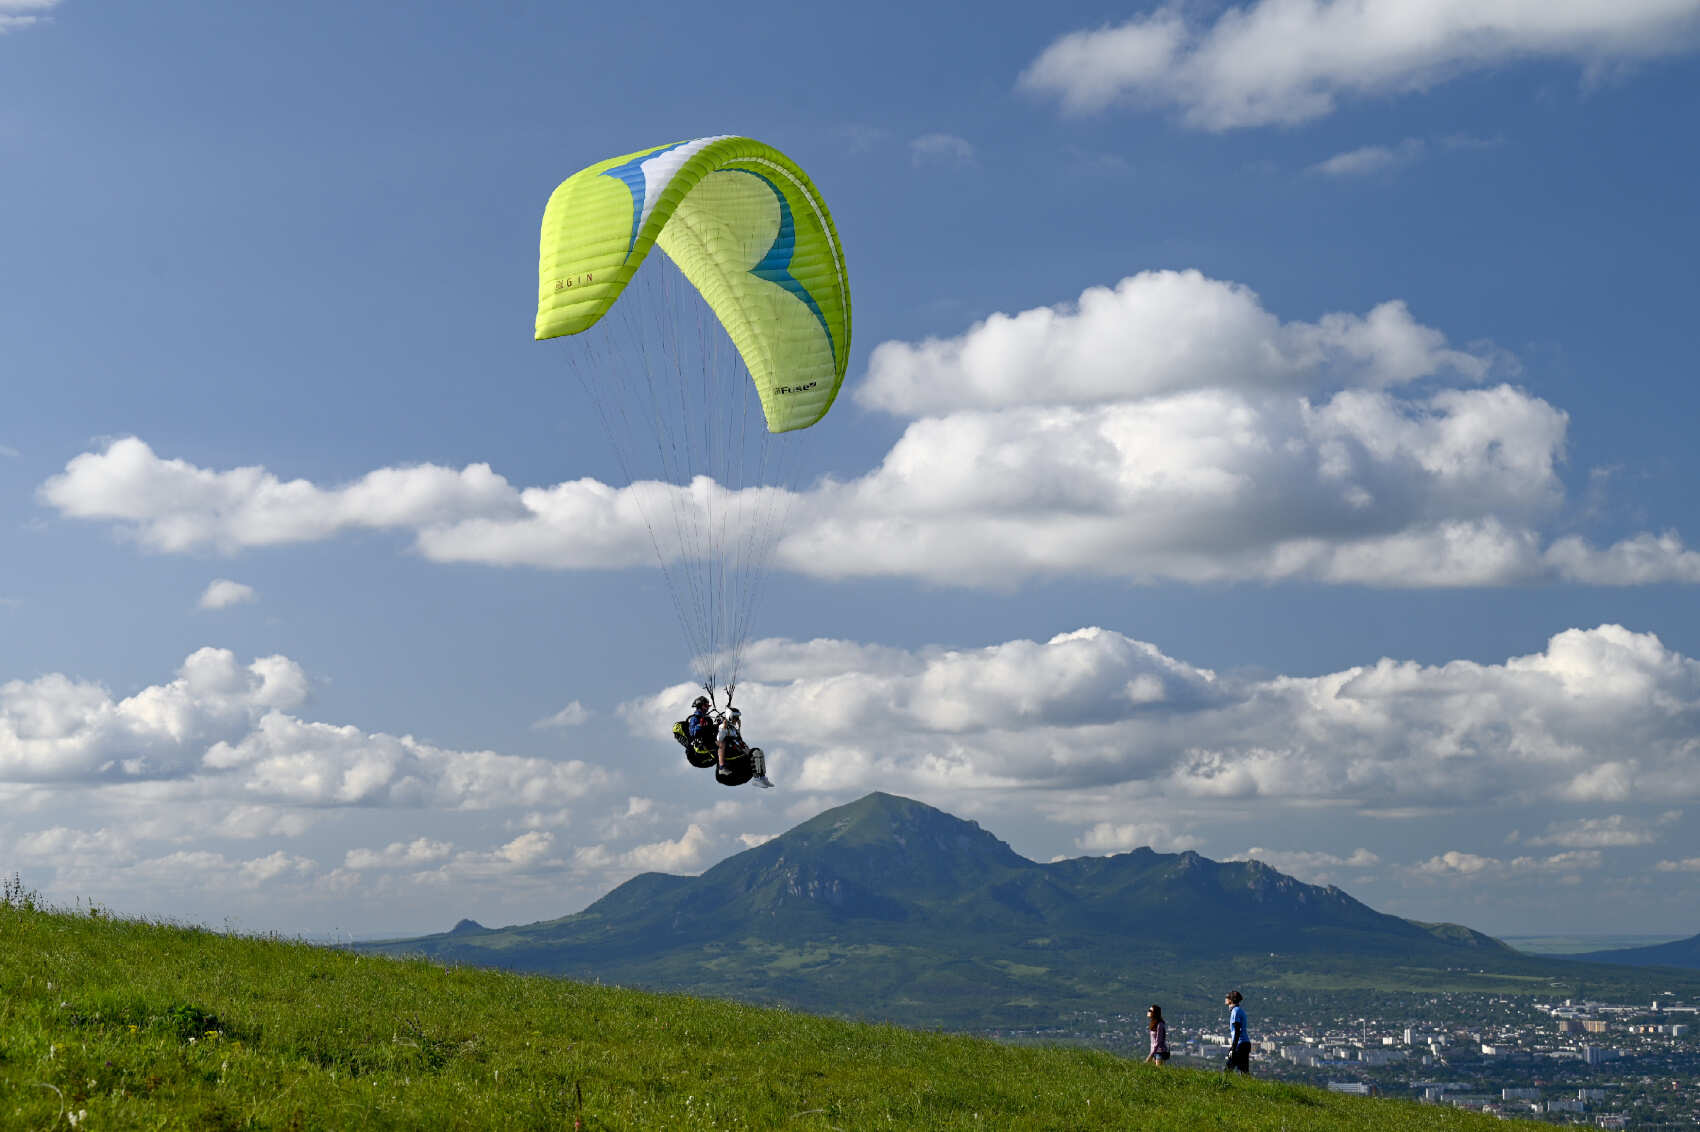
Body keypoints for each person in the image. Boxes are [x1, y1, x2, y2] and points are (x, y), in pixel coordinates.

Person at [1223, 990, 1250, 1074]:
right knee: (1244, 1071)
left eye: (1227, 997)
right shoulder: (1239, 1010)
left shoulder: (1235, 1011)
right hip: (1245, 1043)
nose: (1225, 999)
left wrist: (1233, 1048)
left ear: (1231, 1000)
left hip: (1240, 1044)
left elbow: (1237, 1031)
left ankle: (1222, 1085)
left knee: (1228, 1069)